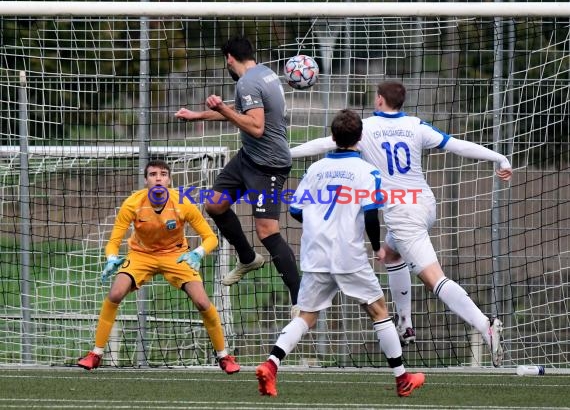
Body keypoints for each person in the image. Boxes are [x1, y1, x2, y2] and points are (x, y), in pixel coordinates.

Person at [290, 81, 513, 367]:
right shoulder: (416, 125)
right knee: (391, 254)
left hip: (402, 214)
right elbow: (456, 145)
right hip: (424, 204)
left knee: (434, 279)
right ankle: (405, 323)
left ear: (380, 100)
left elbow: (325, 143)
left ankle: (486, 325)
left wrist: (288, 152)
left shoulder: (366, 127)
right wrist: (497, 156)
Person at [256, 109, 425, 398]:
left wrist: (320, 223)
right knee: (379, 311)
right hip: (348, 255)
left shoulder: (315, 169)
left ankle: (271, 364)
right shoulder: (366, 171)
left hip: (315, 253)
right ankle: (402, 378)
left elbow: (296, 210)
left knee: (306, 315)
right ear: (360, 139)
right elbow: (371, 216)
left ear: (332, 138)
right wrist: (376, 247)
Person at [175, 36, 301, 317]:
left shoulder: (247, 83)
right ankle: (247, 258)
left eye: (225, 61)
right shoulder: (264, 73)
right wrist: (199, 116)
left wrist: (221, 108)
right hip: (248, 157)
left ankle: (299, 299)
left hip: (269, 165)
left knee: (267, 231)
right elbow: (239, 115)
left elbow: (256, 127)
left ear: (229, 58)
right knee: (215, 204)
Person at [77, 159, 240, 374]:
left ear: (169, 180)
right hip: (140, 255)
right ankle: (96, 354)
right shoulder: (133, 203)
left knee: (202, 302)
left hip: (176, 256)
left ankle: (223, 356)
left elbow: (210, 237)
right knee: (115, 294)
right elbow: (114, 241)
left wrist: (197, 253)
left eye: (163, 174)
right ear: (146, 180)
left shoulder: (182, 203)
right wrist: (110, 258)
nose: (158, 178)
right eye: (153, 174)